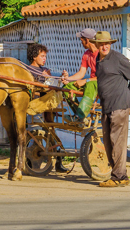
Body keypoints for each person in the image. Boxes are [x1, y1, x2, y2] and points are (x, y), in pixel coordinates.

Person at [89, 31, 130, 188]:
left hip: (119, 105)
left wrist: (128, 95)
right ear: (96, 45)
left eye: (107, 44)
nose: (104, 46)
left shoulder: (118, 58)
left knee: (117, 140)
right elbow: (103, 81)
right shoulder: (98, 60)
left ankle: (117, 177)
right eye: (102, 44)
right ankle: (121, 175)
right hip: (107, 105)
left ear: (111, 44)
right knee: (108, 141)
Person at [25, 43, 70, 174]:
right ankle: (29, 163)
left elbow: (52, 84)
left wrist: (61, 78)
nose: (44, 59)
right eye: (42, 56)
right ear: (34, 56)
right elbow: (32, 87)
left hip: (48, 108)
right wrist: (45, 79)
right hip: (35, 107)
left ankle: (58, 163)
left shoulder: (45, 70)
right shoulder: (28, 71)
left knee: (51, 133)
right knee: (36, 135)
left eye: (45, 56)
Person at [60, 28, 99, 124]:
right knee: (66, 87)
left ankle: (79, 116)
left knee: (90, 84)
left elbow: (104, 76)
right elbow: (81, 72)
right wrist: (68, 79)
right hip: (91, 82)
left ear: (87, 40)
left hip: (101, 83)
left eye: (82, 40)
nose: (81, 42)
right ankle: (80, 116)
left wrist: (86, 81)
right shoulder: (86, 54)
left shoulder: (101, 53)